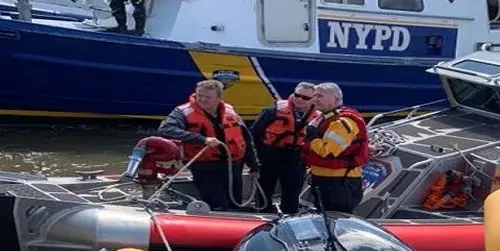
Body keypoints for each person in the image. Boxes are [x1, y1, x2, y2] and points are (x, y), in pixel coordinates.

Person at [157, 79, 260, 211]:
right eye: (199, 95)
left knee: (235, 204)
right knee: (218, 205)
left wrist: (254, 166)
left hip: (233, 166)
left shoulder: (230, 111)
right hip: (205, 167)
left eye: (207, 97)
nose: (202, 99)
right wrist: (202, 139)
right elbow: (166, 129)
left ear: (219, 98)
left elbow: (246, 139)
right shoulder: (183, 112)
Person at [250, 82, 319, 215]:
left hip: (296, 159)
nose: (299, 99)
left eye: (305, 98)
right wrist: (253, 161)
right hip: (270, 156)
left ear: (313, 100)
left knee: (292, 193)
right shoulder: (274, 110)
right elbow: (254, 134)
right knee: (263, 193)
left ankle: (290, 218)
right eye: (297, 95)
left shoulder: (317, 117)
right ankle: (263, 217)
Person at [303, 82, 369, 214]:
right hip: (323, 178)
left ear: (336, 99)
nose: (315, 99)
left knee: (338, 217)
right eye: (314, 95)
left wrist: (313, 136)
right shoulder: (323, 119)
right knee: (324, 216)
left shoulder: (342, 122)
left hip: (339, 181)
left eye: (320, 96)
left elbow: (327, 152)